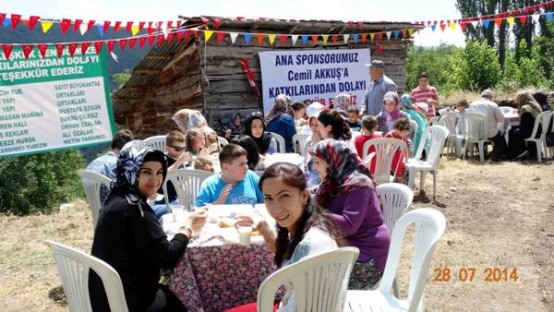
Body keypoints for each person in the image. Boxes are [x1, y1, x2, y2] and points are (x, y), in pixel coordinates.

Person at [89, 140, 207, 312]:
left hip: (105, 295)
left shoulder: (116, 196)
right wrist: (189, 226)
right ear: (130, 170)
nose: (155, 179)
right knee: (186, 301)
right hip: (129, 302)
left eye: (160, 172)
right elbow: (168, 258)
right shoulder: (134, 208)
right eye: (146, 172)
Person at [225, 162, 340, 312]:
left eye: (284, 196)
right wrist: (263, 228)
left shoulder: (314, 244)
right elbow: (288, 258)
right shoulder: (302, 228)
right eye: (268, 198)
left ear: (304, 196)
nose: (275, 208)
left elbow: (308, 306)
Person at [310, 139, 390, 289]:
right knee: (306, 268)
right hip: (344, 248)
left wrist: (314, 210)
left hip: (366, 256)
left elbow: (348, 225)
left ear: (333, 161)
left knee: (314, 281)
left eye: (318, 162)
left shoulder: (359, 185)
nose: (314, 167)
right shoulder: (332, 182)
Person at [195, 144, 264, 206]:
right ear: (225, 167)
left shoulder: (250, 176)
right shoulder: (210, 185)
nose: (246, 167)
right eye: (241, 164)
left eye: (246, 163)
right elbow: (197, 210)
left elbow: (266, 200)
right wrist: (218, 203)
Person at [86, 129, 134, 203]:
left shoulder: (92, 163)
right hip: (112, 210)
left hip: (96, 208)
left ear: (112, 145)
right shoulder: (119, 165)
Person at [468, 89, 506, 162]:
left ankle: (483, 154)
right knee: (501, 140)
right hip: (490, 132)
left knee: (479, 138)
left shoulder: (472, 104)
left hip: (475, 132)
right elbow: (501, 119)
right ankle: (494, 156)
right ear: (491, 97)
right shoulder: (493, 105)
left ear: (481, 96)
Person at [507, 91, 543, 159]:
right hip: (539, 130)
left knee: (510, 130)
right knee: (514, 129)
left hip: (531, 132)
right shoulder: (535, 105)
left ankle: (519, 152)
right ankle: (530, 150)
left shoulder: (525, 108)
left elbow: (524, 123)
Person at [384, 119, 411, 183]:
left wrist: (407, 159)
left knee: (402, 170)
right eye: (404, 132)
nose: (405, 134)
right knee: (398, 172)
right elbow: (384, 147)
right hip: (390, 158)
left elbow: (405, 148)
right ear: (397, 129)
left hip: (399, 158)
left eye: (406, 132)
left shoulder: (403, 137)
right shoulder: (389, 135)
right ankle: (399, 181)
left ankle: (400, 181)